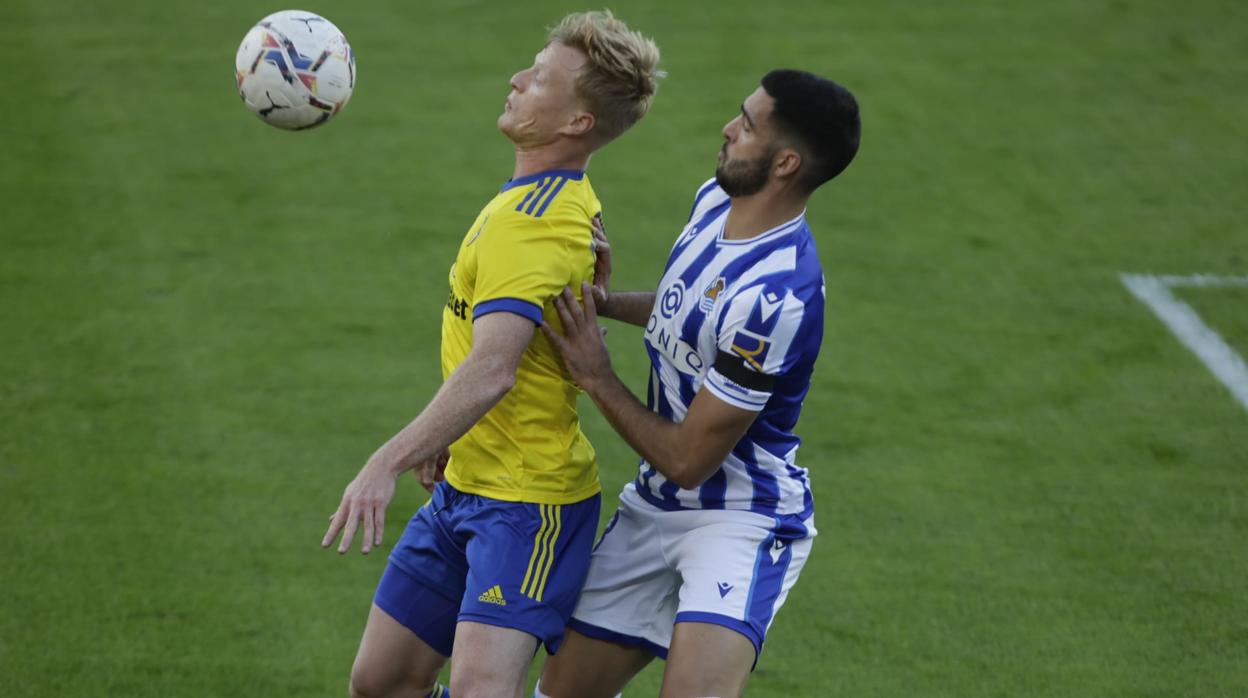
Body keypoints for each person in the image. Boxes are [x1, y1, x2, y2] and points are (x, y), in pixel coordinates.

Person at [319, 12, 662, 698]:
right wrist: (450, 440)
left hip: (527, 505)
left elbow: (492, 369)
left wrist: (383, 461)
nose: (516, 80)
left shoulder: (534, 225)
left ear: (576, 124)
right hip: (465, 488)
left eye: (539, 80)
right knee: (380, 682)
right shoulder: (535, 201)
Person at [534, 69, 861, 698]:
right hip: (654, 506)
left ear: (785, 162)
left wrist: (596, 374)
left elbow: (689, 458)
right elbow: (687, 307)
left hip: (739, 519)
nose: (728, 129)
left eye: (746, 123)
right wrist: (601, 303)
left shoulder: (777, 297)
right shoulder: (714, 201)